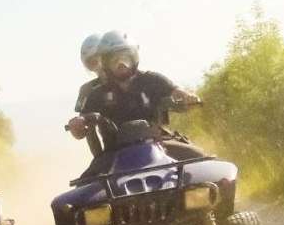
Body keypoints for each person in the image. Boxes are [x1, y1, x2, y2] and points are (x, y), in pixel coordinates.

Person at [72, 30, 207, 161]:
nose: (121, 65)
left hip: (160, 143)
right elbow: (81, 126)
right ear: (106, 63)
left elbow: (178, 92)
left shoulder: (152, 79)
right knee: (88, 181)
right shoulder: (96, 93)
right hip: (114, 153)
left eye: (125, 59)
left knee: (211, 166)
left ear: (134, 57)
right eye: (115, 60)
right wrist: (76, 125)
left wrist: (189, 97)